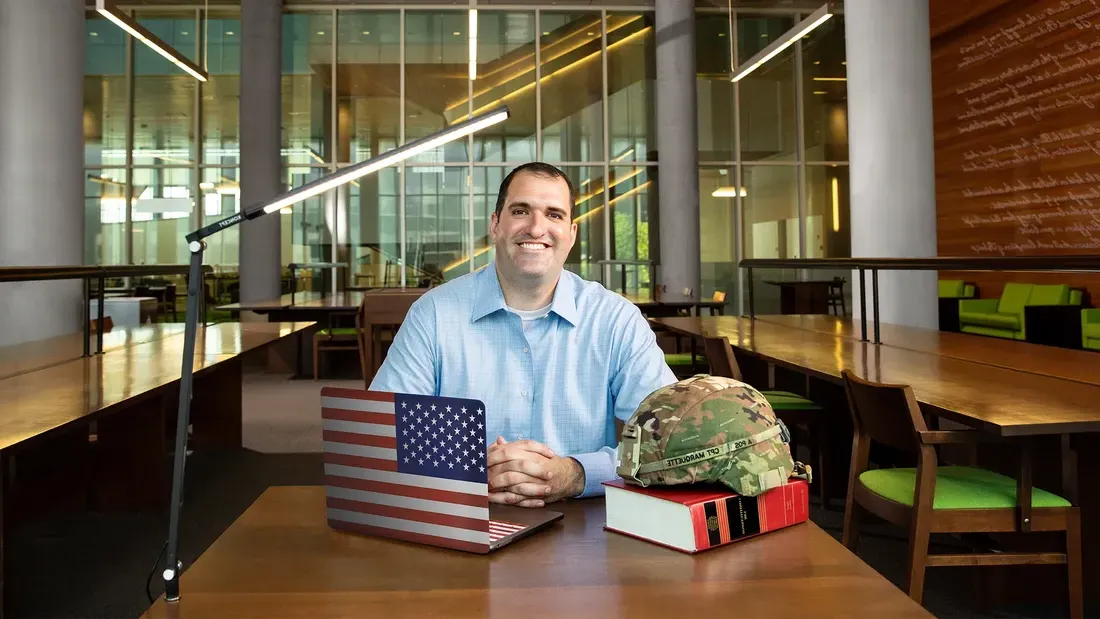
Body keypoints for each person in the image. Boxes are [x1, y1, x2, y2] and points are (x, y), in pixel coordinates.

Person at [369, 162, 676, 507]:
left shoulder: (615, 319)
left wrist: (576, 474)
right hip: (459, 519)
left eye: (554, 215)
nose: (536, 227)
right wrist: (475, 470)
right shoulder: (434, 314)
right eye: (520, 211)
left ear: (571, 234)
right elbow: (383, 434)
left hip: (585, 527)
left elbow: (668, 439)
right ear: (495, 224)